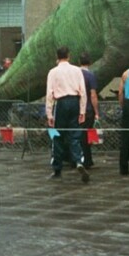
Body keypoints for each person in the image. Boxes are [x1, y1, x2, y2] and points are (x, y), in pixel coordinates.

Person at [45, 46, 89, 183]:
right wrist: (82, 111)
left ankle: (57, 168)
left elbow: (49, 94)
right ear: (69, 56)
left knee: (57, 135)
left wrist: (49, 114)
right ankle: (78, 161)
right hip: (75, 101)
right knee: (75, 134)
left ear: (57, 57)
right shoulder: (77, 70)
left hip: (61, 103)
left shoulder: (53, 72)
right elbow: (83, 92)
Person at [78, 52, 100, 169]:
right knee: (87, 135)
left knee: (77, 134)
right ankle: (87, 159)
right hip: (88, 109)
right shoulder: (90, 75)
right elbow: (93, 95)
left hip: (76, 108)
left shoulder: (75, 75)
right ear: (90, 62)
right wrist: (97, 112)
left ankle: (77, 158)